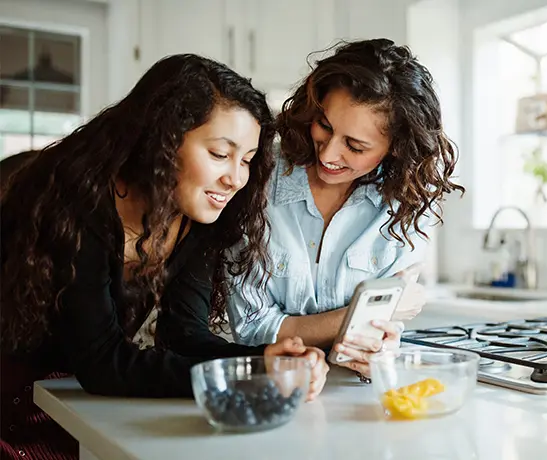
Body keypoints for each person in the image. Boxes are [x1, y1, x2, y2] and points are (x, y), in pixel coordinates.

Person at [0, 54, 328, 460]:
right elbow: (103, 363)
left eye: (246, 160)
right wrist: (248, 380)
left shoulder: (197, 219)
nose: (236, 178)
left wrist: (264, 362)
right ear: (163, 138)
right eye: (219, 154)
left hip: (71, 401)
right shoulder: (75, 203)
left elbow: (184, 336)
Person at [227, 39, 464, 378]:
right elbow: (251, 326)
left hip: (356, 392)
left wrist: (380, 347)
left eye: (354, 146)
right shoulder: (257, 176)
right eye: (324, 125)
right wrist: (352, 319)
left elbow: (379, 327)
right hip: (268, 385)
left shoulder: (408, 202)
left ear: (395, 148)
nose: (327, 155)